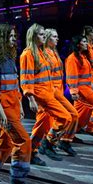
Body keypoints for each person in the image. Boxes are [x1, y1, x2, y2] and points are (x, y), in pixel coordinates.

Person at [0, 23, 35, 184]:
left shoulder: (10, 57)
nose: (14, 40)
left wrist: (19, 104)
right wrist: (0, 111)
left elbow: (14, 84)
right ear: (1, 38)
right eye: (11, 37)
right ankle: (17, 180)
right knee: (23, 140)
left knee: (7, 142)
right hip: (2, 105)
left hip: (12, 103)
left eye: (14, 37)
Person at [20, 23, 72, 162]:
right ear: (34, 36)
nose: (44, 36)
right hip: (41, 95)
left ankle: (32, 151)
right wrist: (31, 98)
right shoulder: (28, 54)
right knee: (65, 117)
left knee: (43, 125)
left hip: (49, 92)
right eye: (41, 34)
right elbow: (26, 77)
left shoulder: (41, 52)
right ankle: (47, 143)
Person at [32, 29, 78, 163]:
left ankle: (57, 142)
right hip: (47, 92)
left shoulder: (53, 52)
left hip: (55, 91)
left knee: (71, 115)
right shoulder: (44, 54)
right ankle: (36, 149)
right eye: (54, 36)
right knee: (42, 124)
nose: (57, 39)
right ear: (47, 38)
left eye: (57, 36)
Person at [65, 35, 93, 137]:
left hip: (87, 88)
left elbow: (84, 74)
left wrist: (90, 83)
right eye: (84, 42)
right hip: (82, 91)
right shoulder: (72, 59)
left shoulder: (82, 56)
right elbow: (72, 76)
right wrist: (74, 92)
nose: (86, 44)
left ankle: (69, 136)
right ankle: (90, 127)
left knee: (81, 115)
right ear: (78, 44)